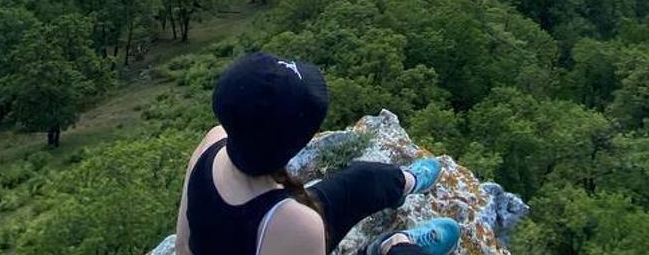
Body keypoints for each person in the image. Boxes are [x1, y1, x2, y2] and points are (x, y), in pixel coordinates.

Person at [175, 51, 461, 255]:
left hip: (270, 222)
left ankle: (405, 182)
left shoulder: (213, 141)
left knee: (362, 180)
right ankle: (392, 247)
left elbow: (183, 246)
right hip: (280, 230)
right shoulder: (294, 223)